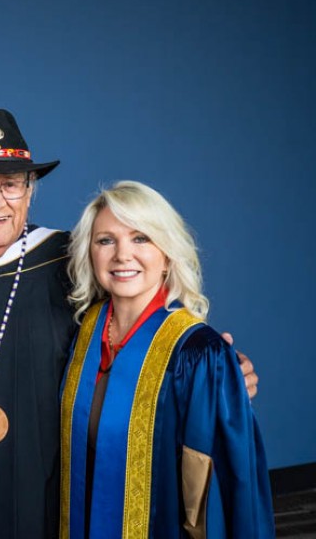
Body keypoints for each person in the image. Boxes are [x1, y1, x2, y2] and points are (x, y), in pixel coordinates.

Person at [0, 109, 260, 539]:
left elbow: (141, 319)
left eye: (12, 185)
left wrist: (213, 371)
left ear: (30, 191)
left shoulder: (67, 263)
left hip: (55, 494)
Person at [59, 180, 274, 538]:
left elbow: (221, 492)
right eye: (106, 240)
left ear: (168, 253)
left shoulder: (199, 354)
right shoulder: (86, 331)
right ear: (90, 252)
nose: (122, 255)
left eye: (141, 238)